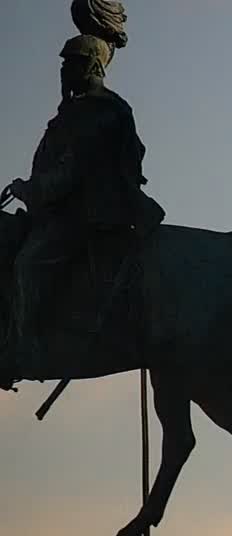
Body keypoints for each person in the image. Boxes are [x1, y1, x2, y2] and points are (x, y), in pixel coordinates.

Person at [4, 30, 163, 368]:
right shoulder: (75, 111)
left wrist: (29, 189)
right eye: (63, 65)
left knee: (27, 265)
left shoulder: (100, 113)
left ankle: (25, 346)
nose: (64, 72)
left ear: (92, 65)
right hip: (57, 209)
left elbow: (70, 172)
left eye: (71, 64)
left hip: (87, 214)